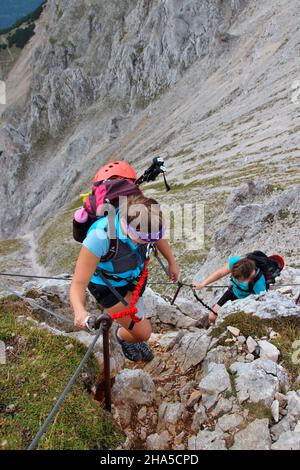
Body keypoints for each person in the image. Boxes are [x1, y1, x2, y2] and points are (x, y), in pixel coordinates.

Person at [70, 194, 179, 362]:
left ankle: (129, 333)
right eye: (144, 239)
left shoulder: (145, 222)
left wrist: (172, 261)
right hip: (107, 287)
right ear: (128, 229)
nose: (149, 242)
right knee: (144, 333)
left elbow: (155, 237)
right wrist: (79, 310)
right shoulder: (100, 237)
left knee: (137, 316)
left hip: (134, 278)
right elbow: (78, 283)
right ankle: (121, 336)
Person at [192, 256, 267, 324]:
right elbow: (220, 273)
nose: (236, 281)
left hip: (246, 301)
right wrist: (203, 284)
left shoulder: (258, 284)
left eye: (239, 280)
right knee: (212, 317)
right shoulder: (236, 264)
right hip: (233, 291)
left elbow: (262, 305)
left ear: (248, 277)